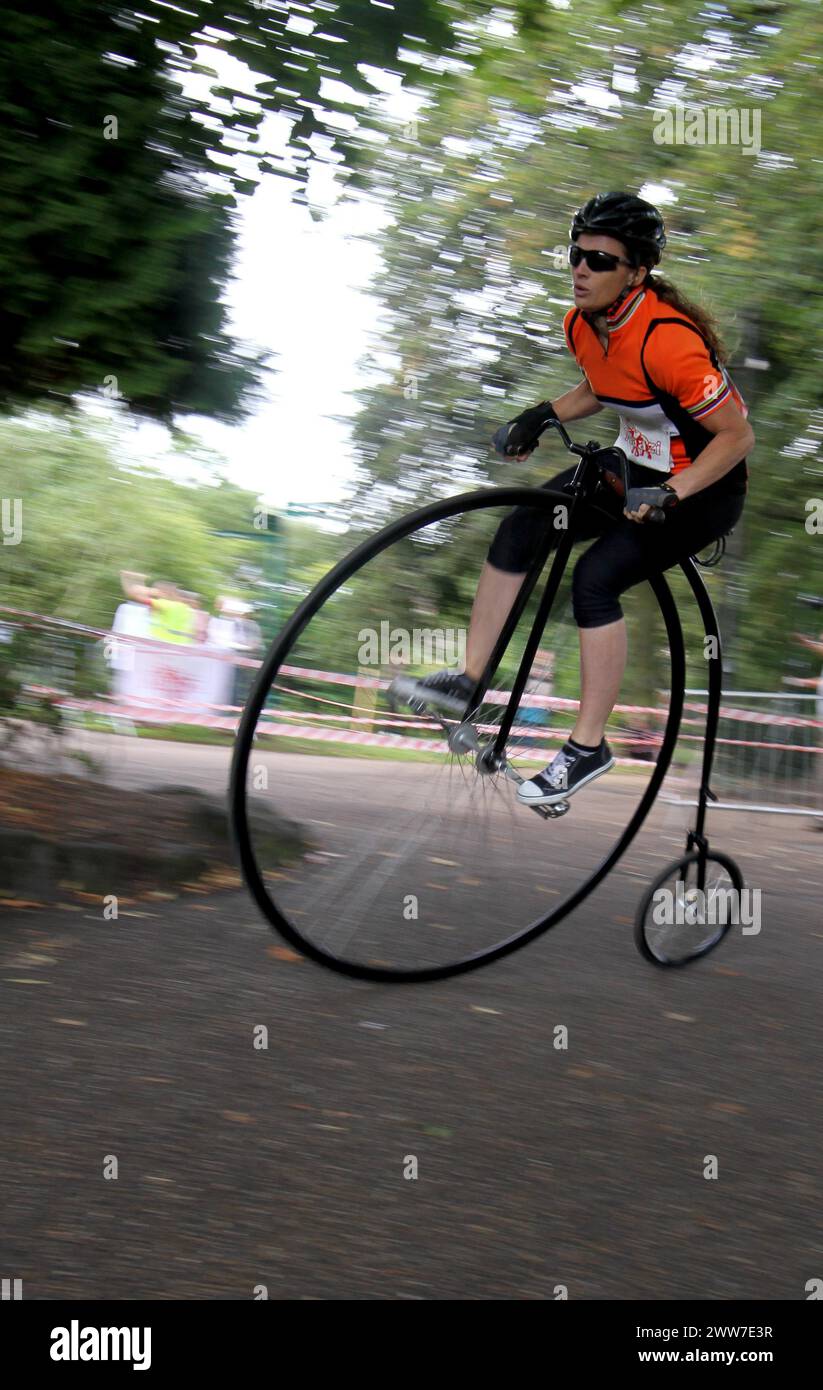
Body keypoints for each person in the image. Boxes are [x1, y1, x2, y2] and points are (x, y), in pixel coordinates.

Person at [405, 192, 754, 806]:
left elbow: (736, 435)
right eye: (576, 254)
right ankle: (468, 681)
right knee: (522, 526)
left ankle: (588, 747)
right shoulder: (583, 324)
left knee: (595, 580)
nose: (581, 269)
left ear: (637, 273)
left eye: (599, 258)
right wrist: (540, 415)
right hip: (631, 468)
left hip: (703, 487)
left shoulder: (669, 340)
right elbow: (605, 386)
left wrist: (673, 490)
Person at [119, 572, 196, 644]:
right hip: (180, 646)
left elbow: (135, 594)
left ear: (164, 592)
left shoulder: (165, 604)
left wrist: (151, 591)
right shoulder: (184, 607)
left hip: (161, 643)